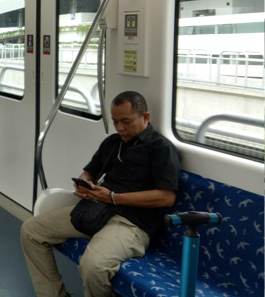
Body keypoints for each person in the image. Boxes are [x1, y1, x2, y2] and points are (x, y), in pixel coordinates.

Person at [20, 91, 181, 297]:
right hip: (96, 210)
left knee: (93, 266)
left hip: (131, 223)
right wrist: (85, 183)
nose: (120, 128)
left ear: (145, 117)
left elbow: (166, 196)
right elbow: (90, 172)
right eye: (115, 122)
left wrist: (113, 197)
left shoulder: (161, 148)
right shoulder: (112, 143)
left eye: (126, 121)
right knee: (31, 230)